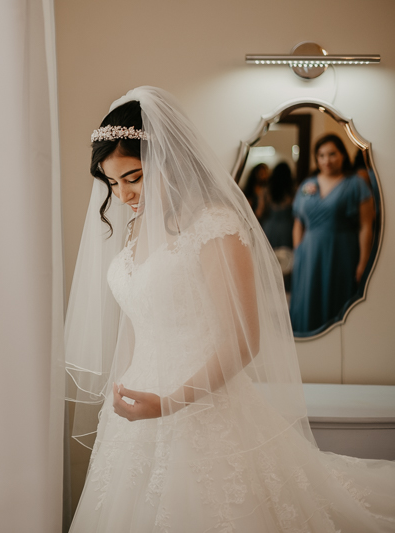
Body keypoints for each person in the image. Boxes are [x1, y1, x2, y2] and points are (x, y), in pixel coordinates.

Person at [65, 87, 394, 532]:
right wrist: (122, 392)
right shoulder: (139, 229)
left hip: (200, 407)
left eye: (135, 177)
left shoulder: (214, 223)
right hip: (134, 413)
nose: (122, 196)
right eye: (113, 183)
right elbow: (139, 319)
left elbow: (242, 340)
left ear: (167, 160)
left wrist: (167, 403)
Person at [289, 134, 374, 336]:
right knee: (308, 298)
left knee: (337, 297)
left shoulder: (356, 184)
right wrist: (299, 250)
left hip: (342, 250)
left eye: (332, 154)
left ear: (343, 155)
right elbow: (298, 223)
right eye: (321, 155)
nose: (326, 160)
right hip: (309, 253)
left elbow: (366, 225)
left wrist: (363, 261)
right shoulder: (307, 185)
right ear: (316, 158)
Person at [262, 162, 295, 291]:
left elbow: (260, 211)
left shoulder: (267, 190)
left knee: (270, 259)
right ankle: (284, 286)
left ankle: (271, 286)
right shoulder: (292, 190)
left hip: (270, 227)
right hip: (287, 227)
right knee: (287, 259)